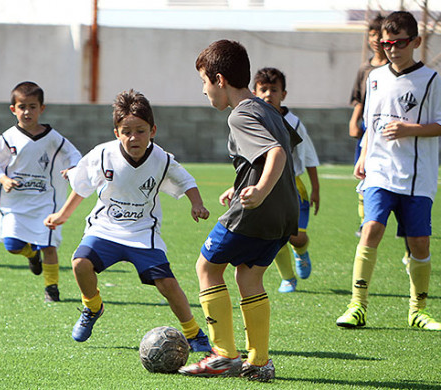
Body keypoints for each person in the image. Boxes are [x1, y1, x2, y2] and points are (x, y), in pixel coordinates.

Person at [43, 89, 212, 352]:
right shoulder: (102, 154)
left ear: (152, 130)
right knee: (80, 263)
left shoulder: (161, 159)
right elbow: (82, 183)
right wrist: (63, 214)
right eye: (127, 131)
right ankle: (92, 307)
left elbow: (186, 180)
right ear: (116, 133)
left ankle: (194, 333)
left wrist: (197, 203)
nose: (134, 137)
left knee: (167, 283)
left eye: (141, 130)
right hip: (105, 229)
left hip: (144, 233)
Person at [178, 40, 300, 381]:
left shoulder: (241, 113)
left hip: (257, 211)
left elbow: (275, 153)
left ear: (219, 79)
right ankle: (259, 362)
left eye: (203, 82)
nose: (204, 91)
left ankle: (223, 355)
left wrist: (259, 190)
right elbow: (282, 148)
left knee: (207, 268)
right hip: (284, 213)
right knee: (248, 276)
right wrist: (244, 181)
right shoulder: (268, 109)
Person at [336, 11, 441, 331]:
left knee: (419, 242)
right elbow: (372, 122)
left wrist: (411, 129)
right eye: (386, 43)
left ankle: (418, 310)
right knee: (371, 229)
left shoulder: (432, 80)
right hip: (380, 170)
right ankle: (357, 305)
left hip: (417, 175)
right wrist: (363, 156)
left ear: (416, 42)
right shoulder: (375, 76)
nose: (392, 49)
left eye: (399, 43)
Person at [0, 81, 81, 302]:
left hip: (45, 201)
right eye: (22, 107)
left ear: (42, 109)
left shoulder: (52, 137)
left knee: (49, 245)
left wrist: (72, 169)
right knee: (12, 246)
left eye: (33, 106)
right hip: (16, 203)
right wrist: (3, 179)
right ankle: (32, 254)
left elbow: (73, 155)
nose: (27, 112)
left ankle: (52, 289)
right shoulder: (8, 138)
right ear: (13, 109)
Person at [253, 67, 320, 293]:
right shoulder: (252, 119)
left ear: (284, 94)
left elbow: (308, 156)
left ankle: (301, 251)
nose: (268, 94)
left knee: (297, 237)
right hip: (266, 188)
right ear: (254, 92)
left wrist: (316, 188)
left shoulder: (293, 122)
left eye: (274, 89)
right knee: (276, 236)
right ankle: (288, 278)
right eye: (263, 89)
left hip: (293, 187)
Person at [349, 14, 389, 237]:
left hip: (388, 129)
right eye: (372, 34)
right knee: (362, 174)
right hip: (367, 129)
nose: (375, 39)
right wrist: (354, 121)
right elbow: (358, 99)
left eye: (379, 35)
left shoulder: (394, 68)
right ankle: (365, 221)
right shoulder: (365, 69)